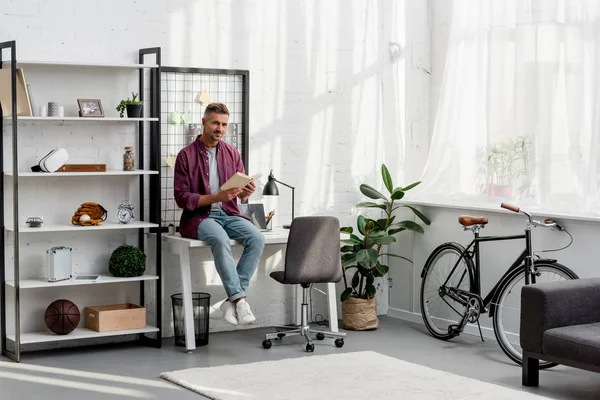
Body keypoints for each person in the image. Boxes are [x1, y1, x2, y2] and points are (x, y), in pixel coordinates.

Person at [174, 103, 265, 326]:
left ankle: (232, 299)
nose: (220, 129)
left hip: (230, 213)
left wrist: (245, 193)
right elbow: (182, 198)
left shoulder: (232, 153)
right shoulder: (185, 155)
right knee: (220, 238)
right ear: (203, 122)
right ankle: (240, 300)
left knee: (257, 237)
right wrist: (217, 197)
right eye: (215, 123)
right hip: (200, 218)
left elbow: (239, 193)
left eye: (224, 124)